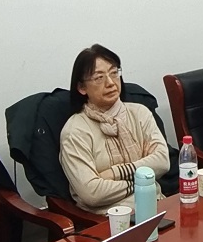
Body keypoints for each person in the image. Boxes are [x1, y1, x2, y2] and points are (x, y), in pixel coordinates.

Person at [59, 45, 171, 211]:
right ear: (82, 88)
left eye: (114, 73)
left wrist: (113, 173)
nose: (111, 83)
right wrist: (144, 180)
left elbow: (162, 162)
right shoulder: (75, 131)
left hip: (156, 205)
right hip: (110, 217)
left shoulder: (139, 113)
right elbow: (92, 193)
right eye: (99, 78)